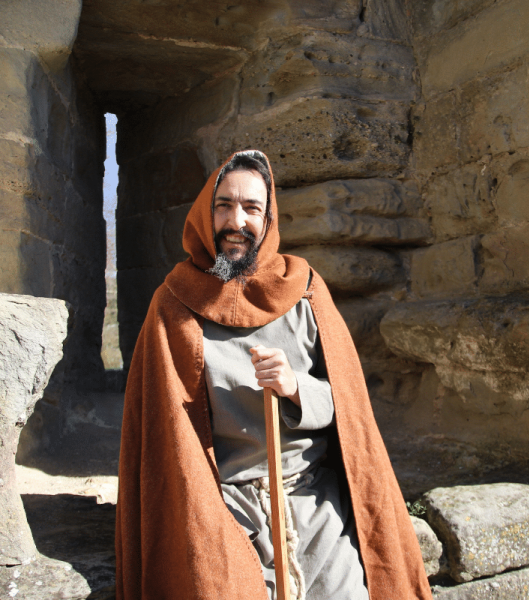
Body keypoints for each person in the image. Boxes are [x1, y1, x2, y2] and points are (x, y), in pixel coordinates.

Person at [115, 149, 432, 600]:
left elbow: (348, 407)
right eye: (223, 205)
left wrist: (295, 388)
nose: (236, 222)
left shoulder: (303, 291)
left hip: (312, 498)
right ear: (207, 214)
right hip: (224, 506)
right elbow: (162, 440)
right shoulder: (175, 304)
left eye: (251, 208)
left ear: (268, 219)